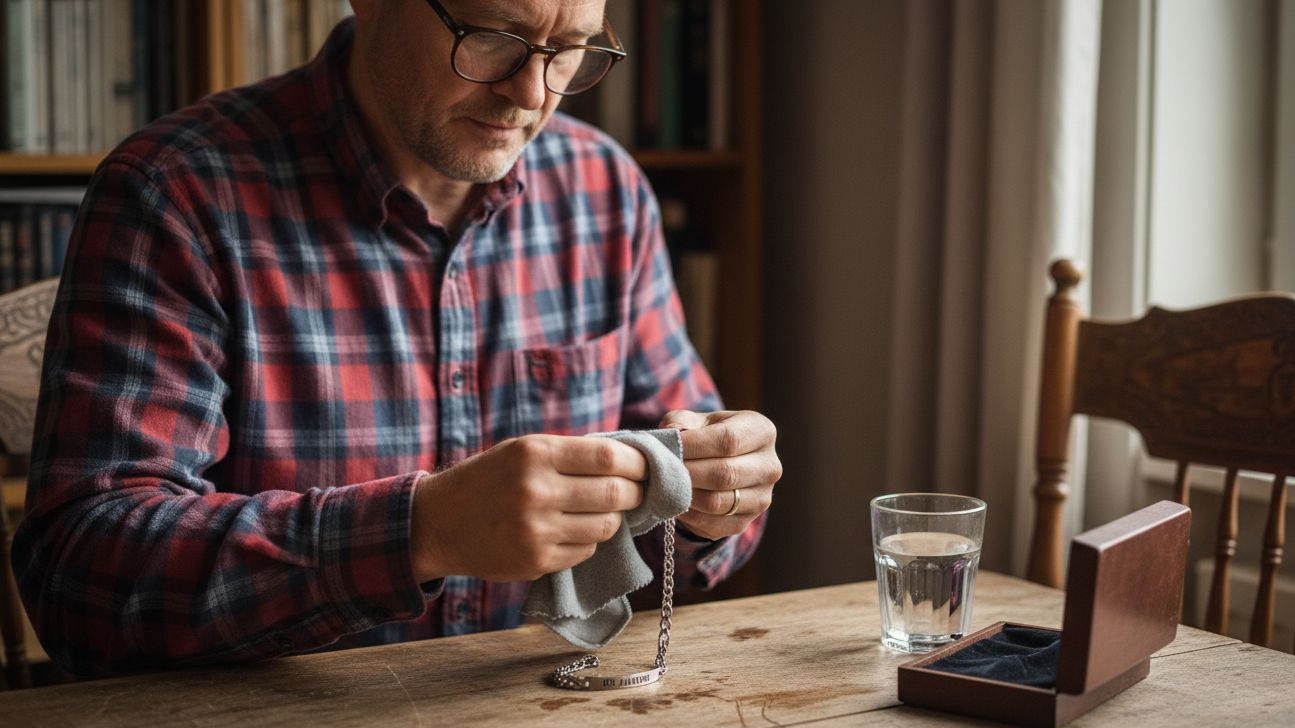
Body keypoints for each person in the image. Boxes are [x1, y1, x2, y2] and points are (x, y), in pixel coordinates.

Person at [14, 0, 779, 678]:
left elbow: (687, 522)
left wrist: (712, 494)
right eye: (494, 36)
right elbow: (81, 576)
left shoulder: (605, 192)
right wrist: (422, 532)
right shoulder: (175, 194)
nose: (531, 93)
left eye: (569, 48)